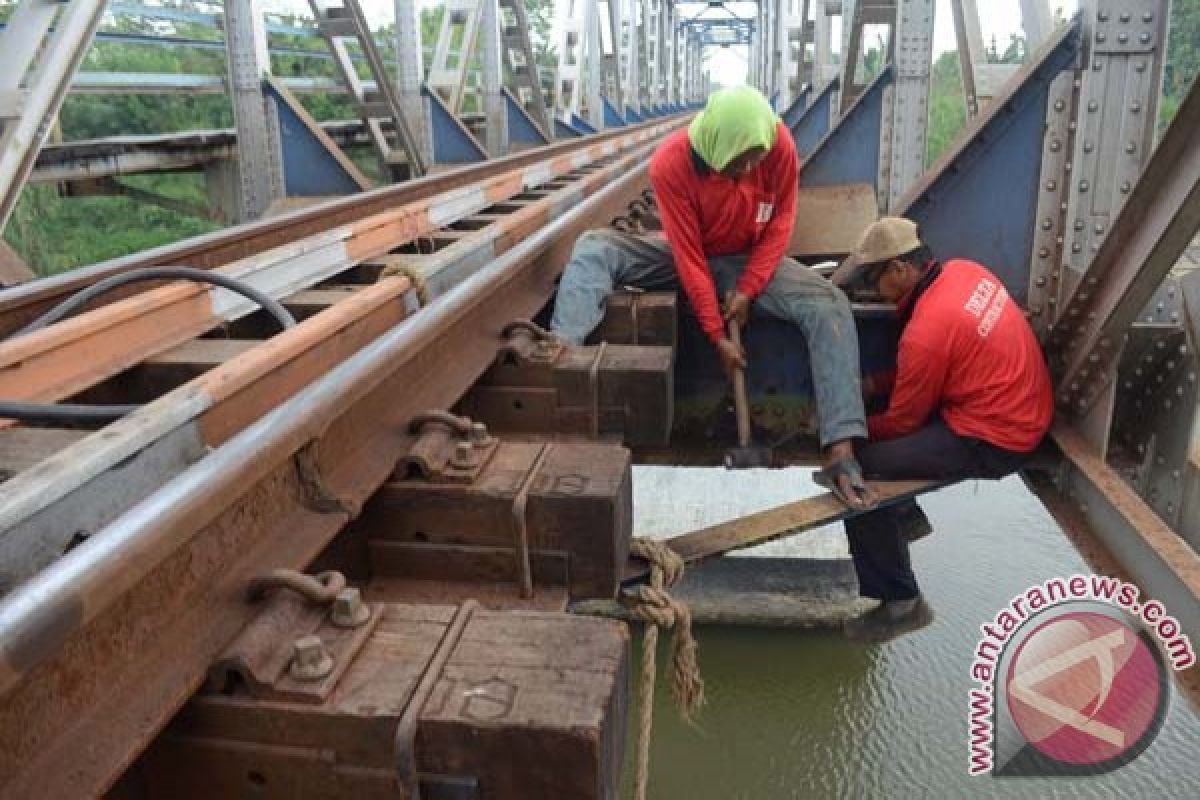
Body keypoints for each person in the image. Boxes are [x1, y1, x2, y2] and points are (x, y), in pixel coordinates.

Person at [550, 86, 875, 505]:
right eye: (741, 161)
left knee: (830, 303)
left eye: (756, 156)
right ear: (718, 148)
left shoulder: (779, 147)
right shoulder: (673, 162)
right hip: (693, 253)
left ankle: (841, 449)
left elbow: (780, 225)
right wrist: (716, 334)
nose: (751, 165)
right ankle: (559, 362)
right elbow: (689, 260)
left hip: (750, 259)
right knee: (596, 248)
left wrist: (748, 288)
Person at [837, 217, 1055, 643]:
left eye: (873, 277)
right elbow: (937, 362)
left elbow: (903, 422)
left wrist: (846, 434)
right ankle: (906, 518)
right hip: (1023, 408)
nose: (870, 287)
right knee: (877, 434)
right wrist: (874, 386)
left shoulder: (926, 331)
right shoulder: (965, 272)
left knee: (859, 471)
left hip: (995, 439)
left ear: (900, 269)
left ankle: (902, 602)